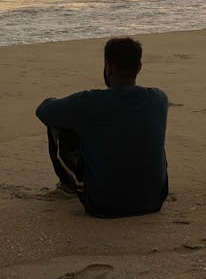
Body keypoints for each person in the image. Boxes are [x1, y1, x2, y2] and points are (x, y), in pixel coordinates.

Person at [36, 36, 168, 218]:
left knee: (59, 124)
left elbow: (43, 111)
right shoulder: (159, 98)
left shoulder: (89, 101)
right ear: (139, 67)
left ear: (108, 67)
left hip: (102, 204)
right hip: (154, 200)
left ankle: (68, 184)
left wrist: (59, 103)